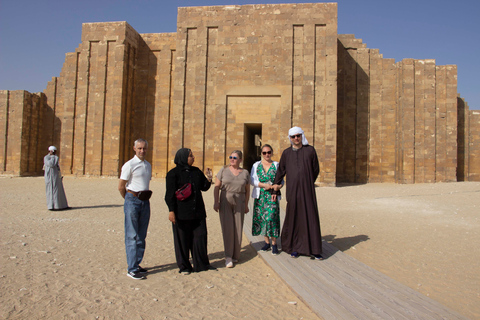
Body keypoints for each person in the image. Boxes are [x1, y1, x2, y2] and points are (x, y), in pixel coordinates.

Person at [272, 127, 323, 260]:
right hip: (293, 191)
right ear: (290, 138)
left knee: (310, 216)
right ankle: (295, 248)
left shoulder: (310, 150)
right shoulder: (287, 153)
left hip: (307, 190)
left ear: (302, 136)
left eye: (298, 136)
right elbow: (280, 171)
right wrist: (274, 188)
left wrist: (307, 181)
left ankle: (315, 249)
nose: (296, 138)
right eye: (293, 136)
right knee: (294, 216)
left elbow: (315, 169)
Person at [165, 148, 216, 275]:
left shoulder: (196, 171)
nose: (193, 157)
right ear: (183, 157)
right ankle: (184, 266)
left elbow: (203, 187)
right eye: (190, 155)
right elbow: (169, 195)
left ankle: (202, 264)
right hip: (181, 212)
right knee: (182, 240)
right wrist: (171, 211)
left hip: (197, 212)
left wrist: (209, 179)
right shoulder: (173, 174)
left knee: (200, 237)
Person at [118, 139, 152, 280]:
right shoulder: (129, 165)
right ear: (134, 148)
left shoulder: (147, 165)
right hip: (132, 200)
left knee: (141, 235)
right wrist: (128, 200)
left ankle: (136, 264)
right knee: (132, 235)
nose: (142, 150)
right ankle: (131, 269)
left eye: (144, 148)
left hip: (145, 202)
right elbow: (121, 186)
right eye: (139, 148)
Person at [214, 150, 250, 268]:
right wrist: (216, 202)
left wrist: (246, 205)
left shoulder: (245, 172)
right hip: (226, 201)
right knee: (228, 229)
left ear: (240, 160)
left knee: (238, 228)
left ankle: (236, 255)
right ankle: (228, 256)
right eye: (231, 157)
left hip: (240, 201)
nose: (232, 159)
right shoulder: (223, 170)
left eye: (235, 157)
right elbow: (216, 187)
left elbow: (247, 190)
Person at [250, 144, 283, 255]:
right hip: (261, 196)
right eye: (264, 153)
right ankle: (267, 242)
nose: (267, 154)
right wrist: (263, 185)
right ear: (261, 154)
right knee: (262, 219)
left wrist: (277, 187)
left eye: (269, 152)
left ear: (272, 152)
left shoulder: (277, 165)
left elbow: (281, 181)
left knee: (272, 218)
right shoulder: (256, 165)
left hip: (272, 196)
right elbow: (252, 181)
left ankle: (274, 243)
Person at [43, 146, 69, 210]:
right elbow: (51, 164)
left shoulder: (54, 157)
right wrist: (53, 156)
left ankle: (61, 205)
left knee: (58, 190)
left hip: (55, 176)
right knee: (51, 191)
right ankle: (52, 206)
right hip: (50, 177)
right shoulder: (47, 157)